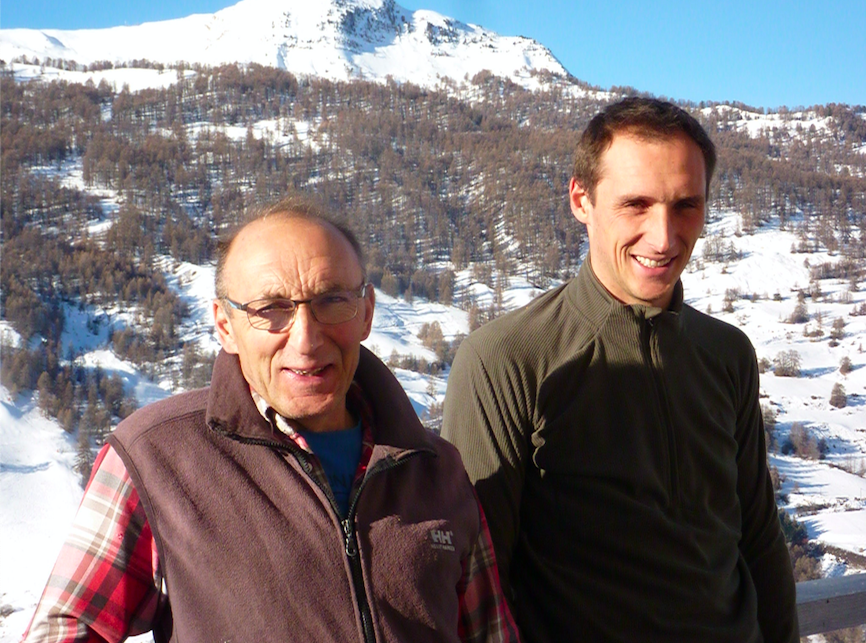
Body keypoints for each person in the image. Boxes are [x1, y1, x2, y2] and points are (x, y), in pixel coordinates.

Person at [23, 198, 520, 643]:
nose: (305, 338)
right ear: (226, 325)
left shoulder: (436, 469)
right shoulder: (155, 461)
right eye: (270, 309)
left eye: (331, 301)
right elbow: (66, 630)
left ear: (366, 312)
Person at [442, 97, 799, 643]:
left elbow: (759, 539)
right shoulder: (507, 359)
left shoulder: (727, 353)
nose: (664, 237)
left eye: (686, 206)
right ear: (581, 199)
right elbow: (477, 583)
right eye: (636, 204)